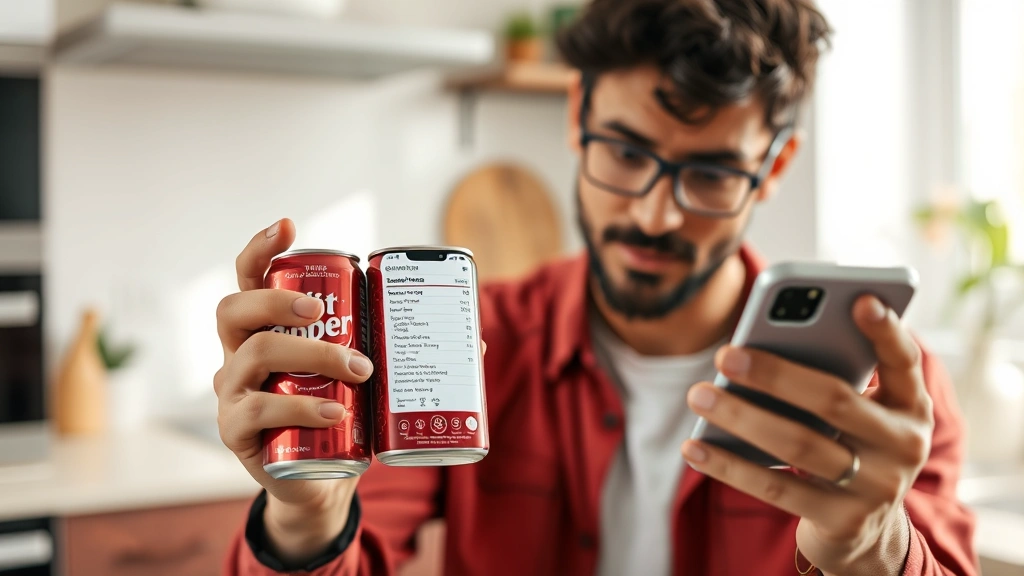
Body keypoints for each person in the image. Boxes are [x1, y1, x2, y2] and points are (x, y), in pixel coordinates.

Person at [214, 0, 977, 574]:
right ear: (578, 114)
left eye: (711, 173)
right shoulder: (463, 347)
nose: (654, 212)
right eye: (625, 152)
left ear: (772, 169)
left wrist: (878, 548)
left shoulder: (878, 388)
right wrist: (305, 517)